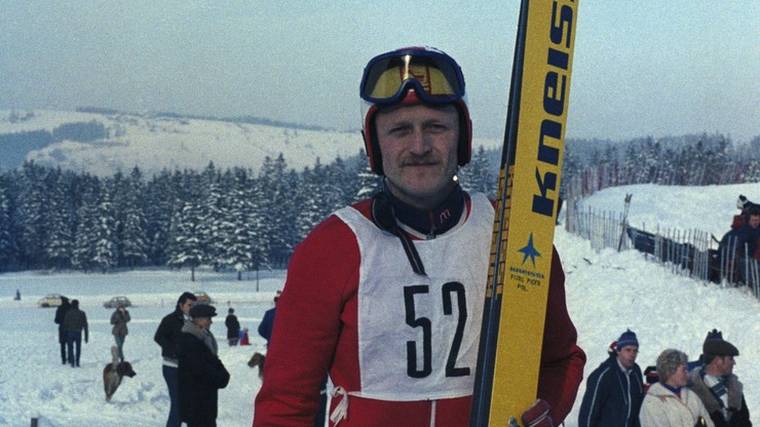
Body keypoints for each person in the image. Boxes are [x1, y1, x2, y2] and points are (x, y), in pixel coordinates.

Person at [253, 46, 586, 426]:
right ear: (375, 145)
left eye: (436, 127)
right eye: (399, 130)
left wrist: (544, 412)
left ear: (462, 138)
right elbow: (285, 402)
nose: (419, 146)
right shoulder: (333, 248)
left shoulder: (512, 235)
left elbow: (560, 359)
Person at [177, 303, 230, 427]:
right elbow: (200, 369)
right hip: (196, 401)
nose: (211, 322)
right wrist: (220, 378)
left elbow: (213, 360)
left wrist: (223, 374)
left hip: (204, 400)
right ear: (198, 319)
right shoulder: (189, 340)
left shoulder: (204, 337)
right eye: (208, 318)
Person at [578, 329, 645, 427]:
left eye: (635, 351)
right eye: (628, 350)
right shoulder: (603, 375)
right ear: (618, 351)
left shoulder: (635, 372)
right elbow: (588, 413)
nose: (632, 354)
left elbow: (638, 408)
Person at [689, 330, 751, 427]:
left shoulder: (734, 388)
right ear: (718, 361)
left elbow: (746, 422)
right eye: (730, 359)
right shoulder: (693, 390)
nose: (734, 363)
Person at [154, 291, 197, 427]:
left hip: (189, 368)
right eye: (190, 305)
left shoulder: (195, 321)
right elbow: (159, 337)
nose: (192, 308)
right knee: (178, 403)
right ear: (181, 305)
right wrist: (174, 350)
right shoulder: (170, 320)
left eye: (194, 305)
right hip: (172, 367)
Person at [640, 349, 713, 427]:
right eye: (683, 370)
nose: (687, 373)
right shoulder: (652, 402)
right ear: (670, 372)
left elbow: (708, 421)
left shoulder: (691, 395)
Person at [62, 299, 88, 367]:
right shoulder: (82, 313)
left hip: (70, 332)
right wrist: (86, 336)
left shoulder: (68, 313)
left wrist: (64, 334)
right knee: (78, 348)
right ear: (78, 305)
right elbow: (85, 325)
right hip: (78, 332)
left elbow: (65, 324)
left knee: (70, 348)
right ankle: (77, 362)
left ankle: (72, 362)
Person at [54, 296, 72, 365]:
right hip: (70, 328)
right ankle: (70, 358)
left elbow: (56, 320)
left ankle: (63, 359)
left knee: (62, 345)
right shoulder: (70, 308)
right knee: (70, 345)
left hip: (62, 329)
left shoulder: (59, 308)